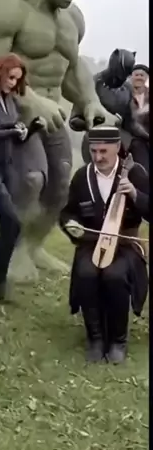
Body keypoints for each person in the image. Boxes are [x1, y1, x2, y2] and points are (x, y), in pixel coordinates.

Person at [0, 0, 117, 283]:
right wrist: (29, 99)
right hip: (12, 113)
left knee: (61, 186)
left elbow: (71, 67)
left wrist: (90, 100)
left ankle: (30, 249)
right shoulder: (4, 5)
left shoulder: (72, 18)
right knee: (32, 180)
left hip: (52, 113)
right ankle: (10, 255)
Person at [59, 127, 149, 365]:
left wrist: (136, 195)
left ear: (117, 148)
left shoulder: (135, 173)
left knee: (114, 274)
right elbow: (68, 213)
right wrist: (71, 225)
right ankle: (95, 338)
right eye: (94, 151)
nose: (98, 157)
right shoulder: (82, 177)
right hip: (92, 242)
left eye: (103, 151)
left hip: (126, 244)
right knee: (86, 272)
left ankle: (118, 340)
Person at [0, 53, 46, 301]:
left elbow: (15, 140)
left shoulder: (10, 100)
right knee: (11, 221)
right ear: (0, 73)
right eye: (10, 77)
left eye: (17, 79)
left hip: (7, 170)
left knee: (12, 225)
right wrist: (10, 130)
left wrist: (32, 128)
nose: (13, 83)